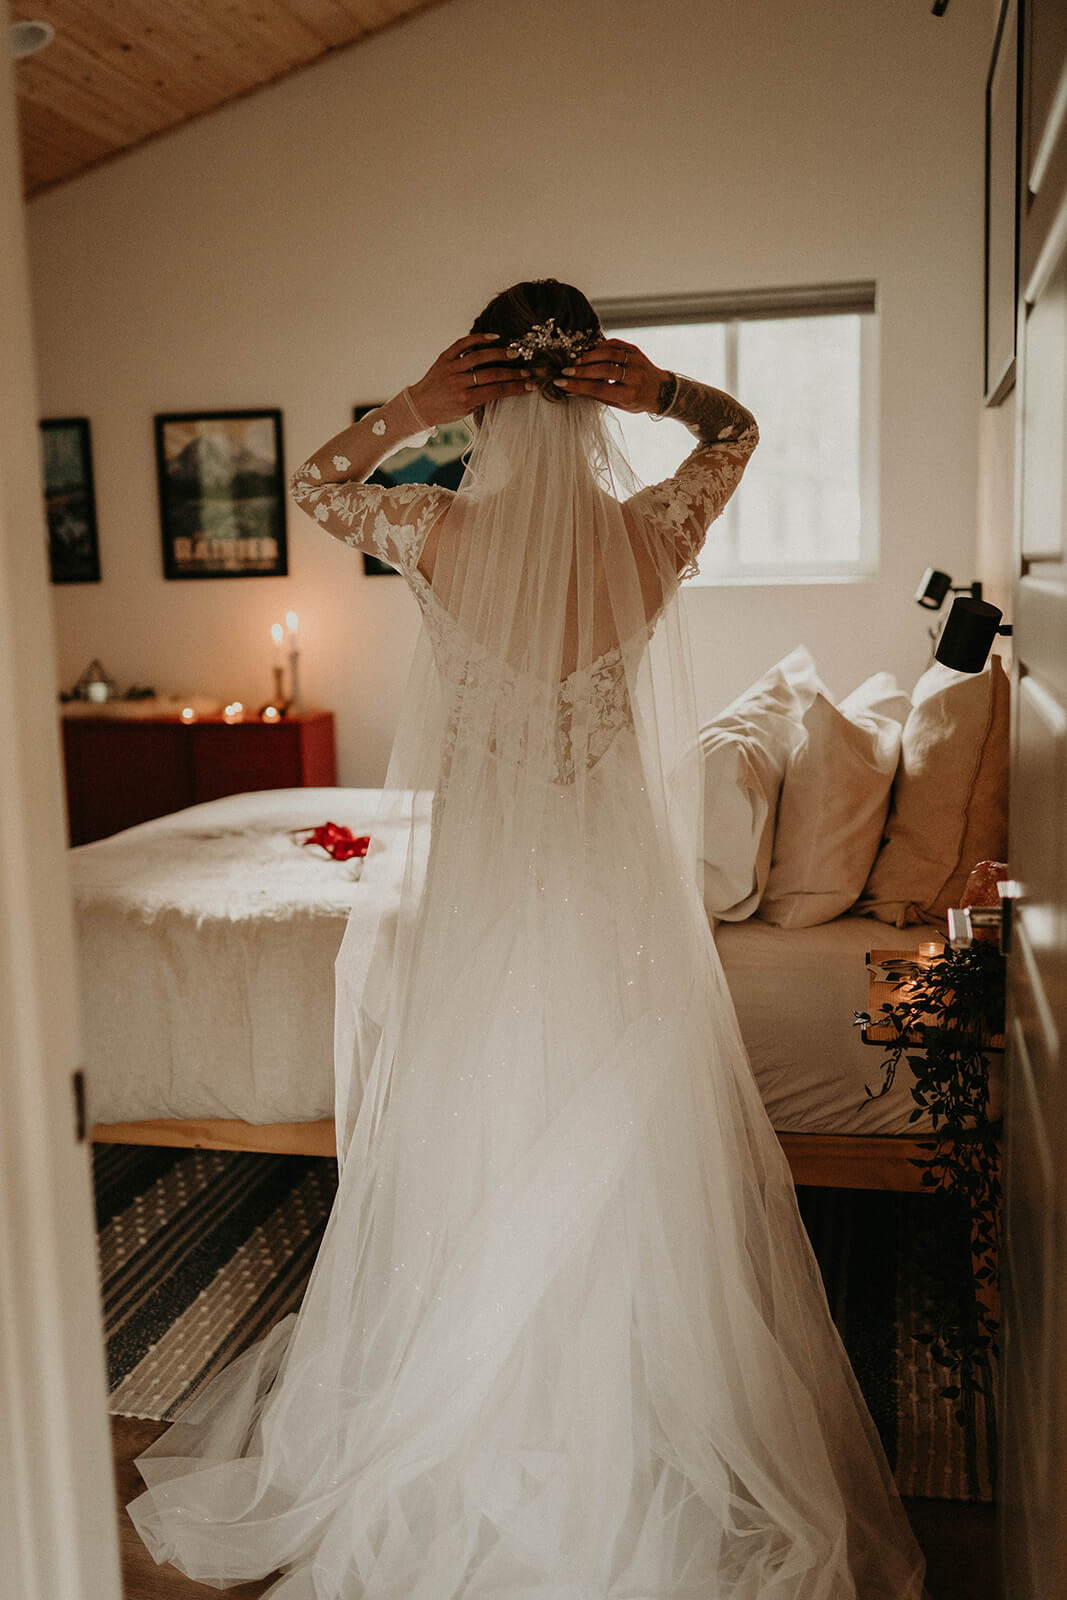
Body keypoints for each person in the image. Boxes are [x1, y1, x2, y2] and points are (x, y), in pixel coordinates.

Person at [128, 279, 926, 1599]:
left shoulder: (433, 527)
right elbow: (736, 438)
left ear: (492, 396)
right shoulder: (647, 537)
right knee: (617, 1157)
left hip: (490, 909)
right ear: (590, 390)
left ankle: (485, 1404)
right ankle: (621, 1409)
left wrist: (419, 404)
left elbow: (318, 488)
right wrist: (664, 391)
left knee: (485, 1141)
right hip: (616, 914)